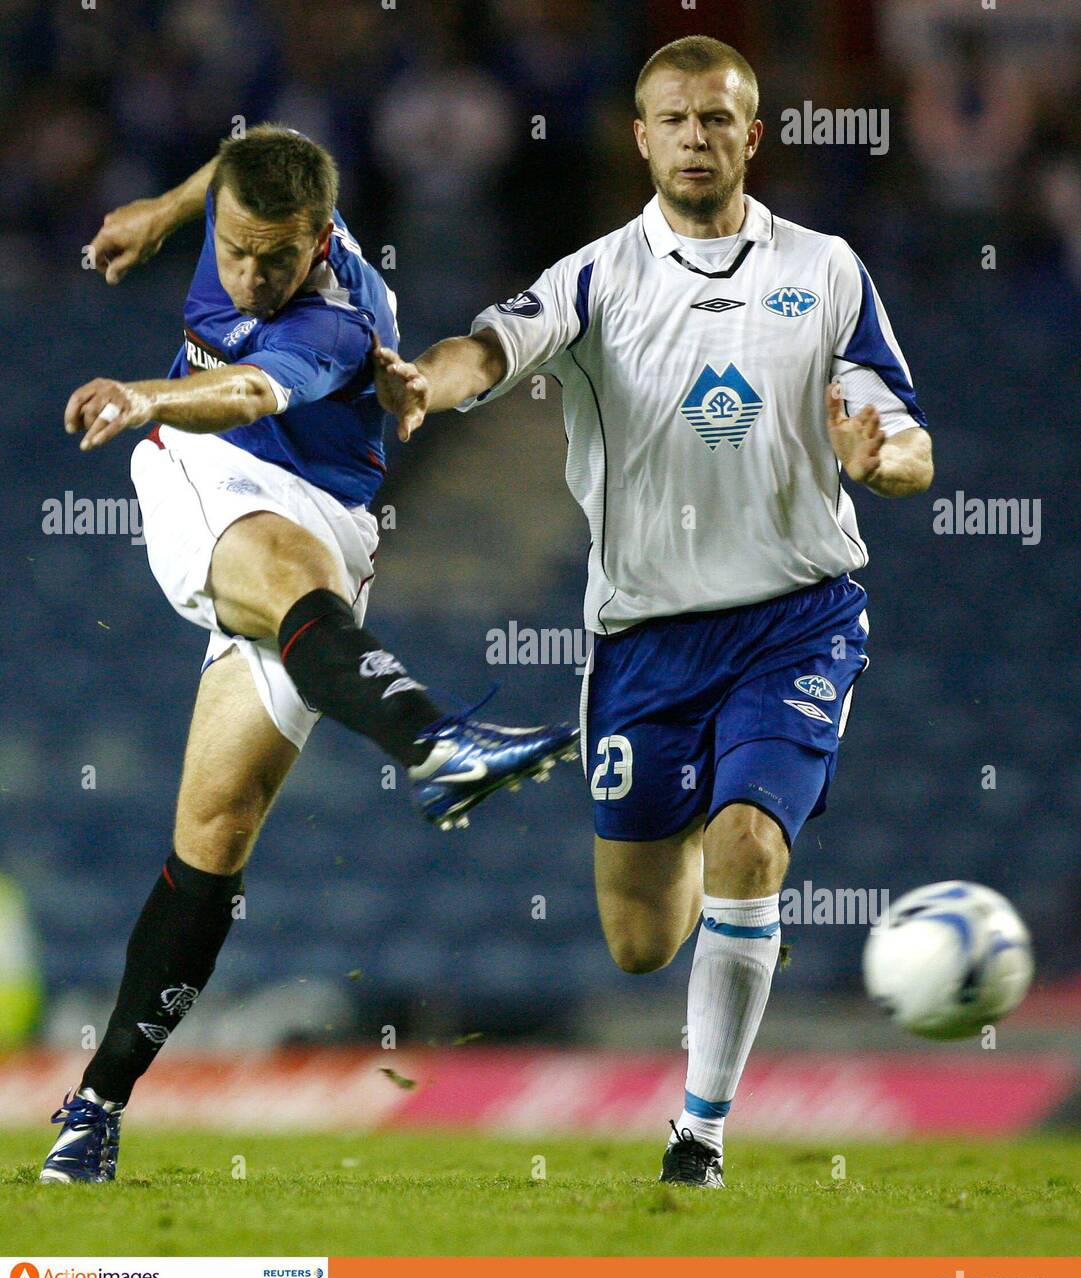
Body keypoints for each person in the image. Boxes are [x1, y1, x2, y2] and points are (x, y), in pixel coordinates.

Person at [372, 37, 934, 1187]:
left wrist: (883, 461)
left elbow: (902, 434)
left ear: (751, 135)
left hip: (796, 616)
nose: (694, 138)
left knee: (747, 842)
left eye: (716, 120)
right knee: (639, 943)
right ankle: (702, 806)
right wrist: (429, 383)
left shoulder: (826, 270)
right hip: (646, 638)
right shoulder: (594, 276)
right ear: (640, 137)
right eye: (672, 119)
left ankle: (700, 1135)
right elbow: (489, 346)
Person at [40, 125, 576, 1184]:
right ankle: (436, 739)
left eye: (272, 257)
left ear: (320, 238)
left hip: (310, 510)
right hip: (202, 474)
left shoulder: (338, 317)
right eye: (232, 247)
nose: (247, 271)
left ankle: (93, 1107)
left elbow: (246, 391)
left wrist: (144, 390)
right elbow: (249, 162)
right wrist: (161, 209)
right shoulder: (249, 198)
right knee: (286, 569)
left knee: (215, 836)